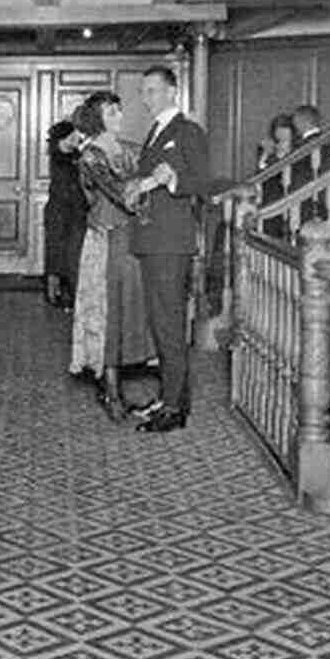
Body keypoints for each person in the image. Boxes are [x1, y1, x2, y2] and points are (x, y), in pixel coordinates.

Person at [127, 66, 209, 433]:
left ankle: (174, 408)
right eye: (144, 92)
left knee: (169, 323)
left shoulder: (187, 130)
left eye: (155, 90)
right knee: (161, 322)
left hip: (170, 242)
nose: (148, 98)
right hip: (153, 239)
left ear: (174, 92)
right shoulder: (156, 130)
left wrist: (172, 179)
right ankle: (171, 396)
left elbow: (201, 182)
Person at [69, 92, 154, 422]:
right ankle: (111, 389)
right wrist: (152, 181)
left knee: (129, 311)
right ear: (96, 118)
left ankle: (120, 381)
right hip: (106, 240)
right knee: (107, 314)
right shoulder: (91, 155)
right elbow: (122, 196)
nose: (119, 115)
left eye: (119, 109)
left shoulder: (129, 147)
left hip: (131, 239)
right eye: (111, 111)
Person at [44, 120, 88, 310]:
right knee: (59, 255)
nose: (77, 138)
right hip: (62, 213)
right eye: (73, 136)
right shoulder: (64, 160)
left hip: (69, 213)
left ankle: (65, 293)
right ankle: (56, 293)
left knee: (69, 256)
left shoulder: (73, 156)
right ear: (65, 138)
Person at [290, 104, 330, 228]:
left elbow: (299, 178)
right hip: (326, 202)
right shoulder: (327, 144)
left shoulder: (303, 147)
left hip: (308, 205)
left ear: (302, 121)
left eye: (295, 120)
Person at [257, 112, 296, 238]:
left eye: (285, 134)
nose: (282, 139)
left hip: (291, 198)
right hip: (269, 198)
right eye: (279, 136)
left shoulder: (299, 149)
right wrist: (266, 155)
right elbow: (259, 174)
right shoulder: (268, 149)